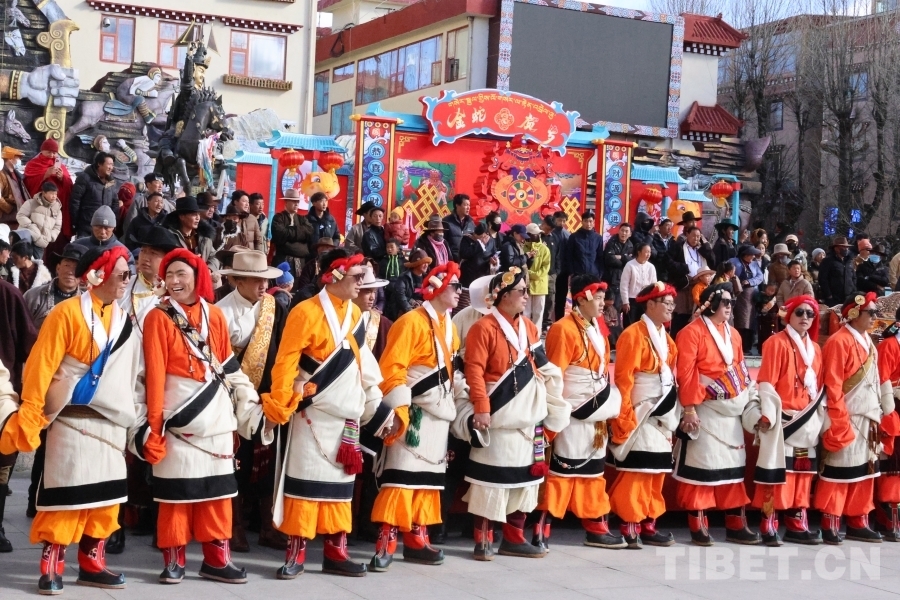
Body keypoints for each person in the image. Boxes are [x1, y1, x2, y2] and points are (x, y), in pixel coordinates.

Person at [0, 246, 141, 593]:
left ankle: (93, 563)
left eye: (128, 274)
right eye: (122, 274)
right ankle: (52, 566)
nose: (127, 280)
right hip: (70, 419)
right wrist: (31, 412)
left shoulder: (125, 321)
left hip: (111, 422)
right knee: (65, 497)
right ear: (97, 276)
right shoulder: (65, 313)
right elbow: (40, 366)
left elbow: (132, 376)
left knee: (106, 501)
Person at [261, 249, 400, 579]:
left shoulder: (356, 315)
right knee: (303, 488)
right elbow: (285, 363)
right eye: (357, 276)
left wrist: (380, 409)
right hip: (312, 414)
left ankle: (337, 552)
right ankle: (296, 552)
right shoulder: (305, 312)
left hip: (345, 419)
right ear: (334, 276)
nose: (362, 283)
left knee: (340, 492)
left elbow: (365, 368)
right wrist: (280, 402)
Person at [134, 248, 268, 584]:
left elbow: (227, 366)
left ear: (198, 278)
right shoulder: (157, 317)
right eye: (169, 275)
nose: (174, 280)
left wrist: (249, 402)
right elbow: (154, 376)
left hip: (217, 419)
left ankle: (217, 560)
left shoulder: (215, 316)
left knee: (217, 495)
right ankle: (174, 560)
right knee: (174, 497)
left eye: (181, 274)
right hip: (178, 420)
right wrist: (153, 429)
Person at [452, 267, 569, 561]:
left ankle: (514, 538)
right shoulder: (482, 328)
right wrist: (481, 407)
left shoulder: (529, 327)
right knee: (488, 483)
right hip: (498, 414)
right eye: (521, 292)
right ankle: (483, 539)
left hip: (527, 417)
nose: (526, 296)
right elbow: (474, 371)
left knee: (524, 483)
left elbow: (541, 364)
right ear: (503, 296)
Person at [369, 263, 461, 571]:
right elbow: (392, 368)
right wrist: (399, 410)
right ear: (437, 289)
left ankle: (417, 537)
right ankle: (387, 538)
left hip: (439, 412)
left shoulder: (450, 327)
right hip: (413, 412)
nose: (459, 292)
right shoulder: (410, 321)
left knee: (428, 482)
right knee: (400, 478)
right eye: (454, 287)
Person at [536, 275, 624, 550]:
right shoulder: (562, 329)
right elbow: (555, 375)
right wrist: (554, 412)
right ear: (582, 299)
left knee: (594, 471)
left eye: (603, 298)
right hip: (573, 411)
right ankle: (541, 528)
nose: (603, 303)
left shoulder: (598, 327)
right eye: (597, 298)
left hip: (596, 409)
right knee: (562, 472)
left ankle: (596, 526)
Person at [674, 282, 759, 546]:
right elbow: (686, 373)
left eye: (732, 303)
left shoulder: (734, 334)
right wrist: (689, 408)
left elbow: (741, 368)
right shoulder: (690, 333)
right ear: (710, 304)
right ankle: (698, 524)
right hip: (705, 407)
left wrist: (748, 398)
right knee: (702, 467)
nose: (730, 307)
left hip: (731, 409)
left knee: (733, 469)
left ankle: (736, 523)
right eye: (725, 303)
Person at [216, 251, 290, 552]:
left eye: (265, 281)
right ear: (237, 280)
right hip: (232, 398)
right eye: (256, 280)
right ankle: (232, 527)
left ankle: (267, 526)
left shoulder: (274, 307)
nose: (263, 286)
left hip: (267, 396)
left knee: (268, 462)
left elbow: (283, 350)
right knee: (237, 462)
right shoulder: (219, 312)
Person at [743, 295, 826, 545]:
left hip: (808, 420)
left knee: (802, 474)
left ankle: (797, 524)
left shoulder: (816, 349)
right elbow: (766, 382)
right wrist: (768, 415)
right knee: (777, 473)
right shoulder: (775, 342)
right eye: (800, 312)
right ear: (789, 315)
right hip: (784, 419)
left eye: (810, 314)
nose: (805, 318)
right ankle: (769, 524)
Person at [815, 292, 896, 543]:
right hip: (847, 416)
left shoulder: (868, 341)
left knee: (866, 472)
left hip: (868, 416)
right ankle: (830, 521)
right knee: (839, 471)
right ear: (853, 313)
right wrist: (838, 419)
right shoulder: (838, 341)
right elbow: (833, 385)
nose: (875, 317)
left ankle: (858, 520)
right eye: (871, 312)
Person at [609, 282, 680, 548]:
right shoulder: (632, 334)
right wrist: (625, 415)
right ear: (650, 304)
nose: (672, 308)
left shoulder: (667, 340)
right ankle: (630, 522)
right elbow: (624, 380)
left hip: (662, 414)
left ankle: (649, 522)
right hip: (641, 412)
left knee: (657, 471)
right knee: (638, 471)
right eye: (667, 303)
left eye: (672, 303)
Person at [875, 309, 900, 541]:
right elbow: (882, 381)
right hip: (893, 407)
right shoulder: (889, 346)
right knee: (893, 462)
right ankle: (889, 515)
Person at [121, 228, 178, 328]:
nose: (145, 258)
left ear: (166, 259)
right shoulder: (123, 285)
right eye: (143, 251)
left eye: (153, 253)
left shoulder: (174, 293)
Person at [23, 140, 73, 253]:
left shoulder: (61, 166)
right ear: (42, 151)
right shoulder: (33, 164)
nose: (51, 155)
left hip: (57, 208)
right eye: (49, 152)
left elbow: (69, 186)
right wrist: (45, 175)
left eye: (54, 153)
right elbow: (27, 184)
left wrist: (62, 178)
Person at [667, 226, 715, 338]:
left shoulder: (702, 249)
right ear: (687, 234)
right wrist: (684, 268)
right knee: (681, 317)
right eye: (693, 236)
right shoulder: (679, 246)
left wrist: (706, 245)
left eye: (698, 236)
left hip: (700, 286)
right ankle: (676, 340)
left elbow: (713, 261)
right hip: (684, 285)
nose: (696, 238)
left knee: (696, 318)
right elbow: (668, 262)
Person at [24, 243, 85, 330]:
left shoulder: (86, 302)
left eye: (76, 267)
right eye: (67, 265)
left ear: (83, 273)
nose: (70, 272)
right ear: (58, 268)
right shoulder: (33, 296)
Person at [73, 206, 135, 274]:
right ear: (92, 226)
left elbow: (130, 274)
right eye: (98, 227)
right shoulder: (77, 246)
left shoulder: (124, 251)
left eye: (107, 228)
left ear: (113, 228)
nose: (102, 232)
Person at [70, 152, 117, 238]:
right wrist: (75, 222)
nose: (111, 167)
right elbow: (75, 201)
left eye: (112, 165)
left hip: (104, 229)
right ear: (99, 164)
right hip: (86, 227)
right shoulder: (85, 178)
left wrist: (113, 222)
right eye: (109, 164)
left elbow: (115, 203)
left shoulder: (111, 182)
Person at [729, 245, 765, 354]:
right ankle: (738, 347)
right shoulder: (733, 262)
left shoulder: (754, 264)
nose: (753, 257)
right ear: (745, 255)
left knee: (749, 321)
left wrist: (750, 282)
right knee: (739, 321)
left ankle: (747, 347)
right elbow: (727, 273)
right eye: (751, 254)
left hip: (751, 296)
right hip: (737, 295)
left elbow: (760, 277)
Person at [164, 196, 217, 269]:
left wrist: (209, 269)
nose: (198, 218)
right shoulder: (170, 237)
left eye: (198, 214)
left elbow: (214, 257)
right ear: (182, 216)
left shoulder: (204, 236)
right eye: (194, 214)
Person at [271, 189, 313, 278]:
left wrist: (288, 233)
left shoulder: (303, 219)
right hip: (283, 260)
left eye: (297, 201)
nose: (296, 204)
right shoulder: (278, 218)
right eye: (293, 201)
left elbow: (309, 232)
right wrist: (299, 235)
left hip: (300, 262)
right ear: (286, 202)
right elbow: (279, 235)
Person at [17, 181, 62, 260]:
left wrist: (50, 237)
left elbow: (57, 226)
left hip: (41, 242)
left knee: (36, 264)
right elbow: (20, 216)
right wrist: (32, 227)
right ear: (44, 193)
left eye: (55, 194)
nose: (54, 196)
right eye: (51, 194)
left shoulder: (57, 209)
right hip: (27, 239)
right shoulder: (31, 203)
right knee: (22, 261)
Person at [385, 249, 431, 322]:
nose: (426, 265)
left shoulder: (427, 278)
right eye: (424, 263)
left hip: (421, 311)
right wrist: (411, 310)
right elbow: (400, 296)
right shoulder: (404, 278)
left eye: (427, 263)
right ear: (416, 264)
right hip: (403, 313)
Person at [620, 241, 657, 326]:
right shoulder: (630, 265)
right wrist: (625, 301)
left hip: (645, 300)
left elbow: (653, 285)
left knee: (644, 324)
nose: (648, 254)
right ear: (639, 252)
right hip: (632, 300)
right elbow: (624, 284)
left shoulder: (651, 267)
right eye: (646, 252)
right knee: (630, 324)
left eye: (650, 252)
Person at [818, 236, 856, 306]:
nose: (846, 249)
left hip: (848, 298)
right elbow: (823, 279)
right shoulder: (828, 261)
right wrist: (829, 295)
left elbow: (853, 277)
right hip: (834, 299)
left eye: (847, 247)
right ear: (836, 248)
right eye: (843, 247)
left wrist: (853, 290)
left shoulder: (849, 261)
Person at [603, 223, 634, 309]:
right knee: (609, 306)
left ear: (630, 234)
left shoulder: (631, 246)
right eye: (622, 230)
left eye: (626, 231)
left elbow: (632, 261)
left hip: (623, 280)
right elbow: (609, 259)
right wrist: (625, 260)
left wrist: (621, 257)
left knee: (619, 307)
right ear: (619, 231)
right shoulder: (611, 243)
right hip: (611, 279)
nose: (623, 233)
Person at [524, 223, 550, 324]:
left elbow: (546, 267)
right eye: (535, 234)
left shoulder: (544, 249)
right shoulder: (523, 248)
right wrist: (528, 274)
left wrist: (531, 274)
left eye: (539, 233)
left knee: (538, 313)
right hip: (526, 285)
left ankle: (536, 332)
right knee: (525, 312)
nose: (538, 235)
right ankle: (525, 332)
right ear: (528, 235)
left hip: (540, 285)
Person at [567, 211, 603, 277]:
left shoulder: (598, 238)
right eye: (586, 221)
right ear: (582, 222)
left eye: (590, 221)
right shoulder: (574, 237)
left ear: (593, 222)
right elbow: (569, 256)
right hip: (578, 274)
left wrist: (600, 273)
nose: (588, 224)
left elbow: (600, 257)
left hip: (594, 274)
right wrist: (571, 272)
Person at [539, 216, 561, 328]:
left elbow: (558, 255)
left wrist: (556, 271)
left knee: (550, 299)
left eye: (552, 229)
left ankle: (546, 323)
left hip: (551, 274)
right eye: (548, 228)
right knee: (538, 299)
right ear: (543, 224)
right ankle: (536, 323)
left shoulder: (554, 237)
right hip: (538, 274)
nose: (550, 231)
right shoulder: (536, 236)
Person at [550, 211, 571, 321]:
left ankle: (559, 320)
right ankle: (547, 322)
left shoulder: (568, 235)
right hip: (551, 271)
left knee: (561, 298)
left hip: (563, 272)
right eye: (559, 220)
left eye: (563, 221)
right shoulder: (549, 234)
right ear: (554, 219)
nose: (561, 223)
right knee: (549, 297)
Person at [0, 146, 28, 229]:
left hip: (18, 212)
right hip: (8, 217)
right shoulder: (1, 175)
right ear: (10, 159)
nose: (19, 160)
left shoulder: (17, 174)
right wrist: (9, 208)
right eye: (18, 158)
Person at [443, 194, 475, 261]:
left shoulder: (471, 223)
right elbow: (442, 244)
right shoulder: (446, 222)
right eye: (465, 205)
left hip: (467, 262)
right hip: (452, 261)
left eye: (469, 205)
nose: (468, 207)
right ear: (457, 205)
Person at [651, 218, 674, 283]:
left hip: (669, 272)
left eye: (670, 226)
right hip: (657, 270)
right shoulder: (653, 239)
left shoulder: (672, 240)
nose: (669, 228)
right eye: (667, 225)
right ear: (660, 226)